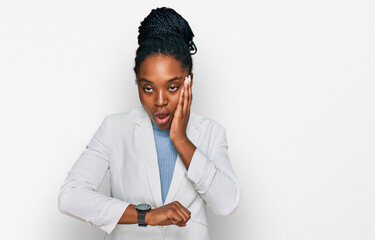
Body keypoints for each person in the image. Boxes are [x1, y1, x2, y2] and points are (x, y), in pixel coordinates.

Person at [58, 7, 241, 240]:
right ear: (136, 82)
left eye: (172, 87)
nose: (160, 101)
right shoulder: (115, 129)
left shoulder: (210, 133)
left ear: (189, 81)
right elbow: (70, 196)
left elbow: (226, 203)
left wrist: (181, 140)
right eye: (147, 88)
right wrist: (146, 215)